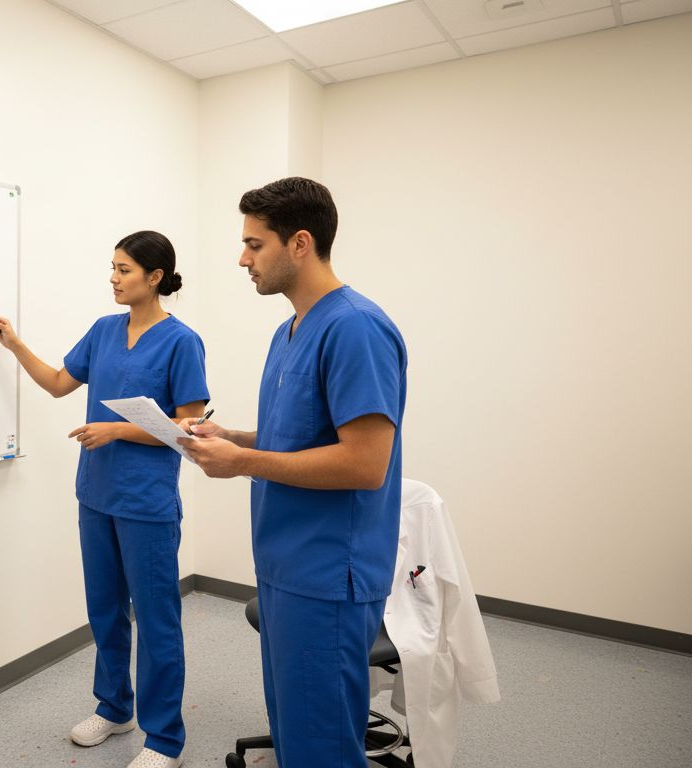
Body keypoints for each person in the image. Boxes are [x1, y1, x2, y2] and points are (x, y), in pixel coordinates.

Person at [178, 177, 407, 767]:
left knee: (321, 748)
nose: (242, 258)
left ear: (299, 243)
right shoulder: (289, 331)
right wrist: (232, 437)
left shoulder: (356, 327)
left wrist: (243, 463)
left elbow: (364, 462)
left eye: (255, 245)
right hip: (285, 565)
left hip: (328, 574)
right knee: (296, 733)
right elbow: (299, 437)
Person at [0, 230, 208, 768]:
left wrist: (116, 431)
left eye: (124, 269)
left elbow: (192, 426)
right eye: (112, 267)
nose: (113, 277)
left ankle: (164, 739)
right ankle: (114, 708)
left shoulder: (182, 341)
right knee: (105, 610)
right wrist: (14, 344)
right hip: (97, 494)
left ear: (154, 278)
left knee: (156, 619)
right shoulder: (104, 331)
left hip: (147, 502)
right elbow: (61, 383)